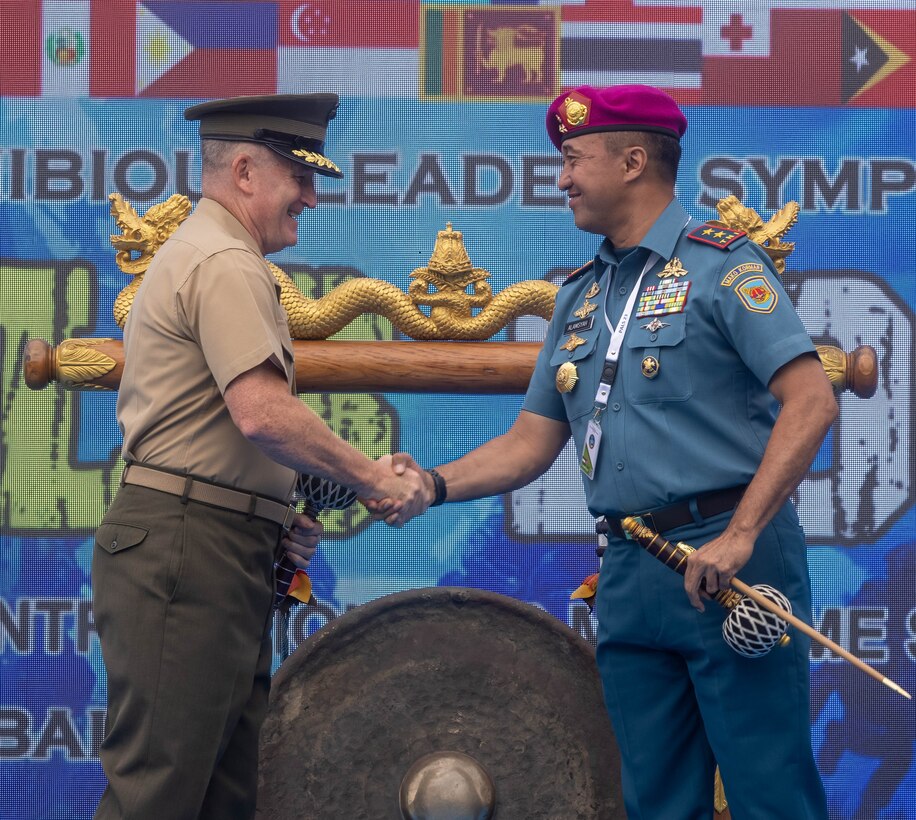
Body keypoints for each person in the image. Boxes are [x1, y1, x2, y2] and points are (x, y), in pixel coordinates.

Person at [384, 85, 837, 818]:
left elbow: (812, 400)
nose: (561, 179)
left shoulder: (724, 266)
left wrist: (742, 534)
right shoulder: (579, 295)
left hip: (729, 562)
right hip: (630, 567)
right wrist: (429, 484)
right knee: (654, 800)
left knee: (770, 792)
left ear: (632, 161)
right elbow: (529, 444)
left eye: (572, 160)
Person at [92, 94, 426, 820]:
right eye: (298, 175)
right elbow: (262, 413)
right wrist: (372, 477)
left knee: (220, 795)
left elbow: (230, 427)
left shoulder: (224, 258)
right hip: (190, 546)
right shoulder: (223, 261)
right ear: (244, 170)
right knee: (161, 792)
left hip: (216, 544)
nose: (310, 195)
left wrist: (274, 509)